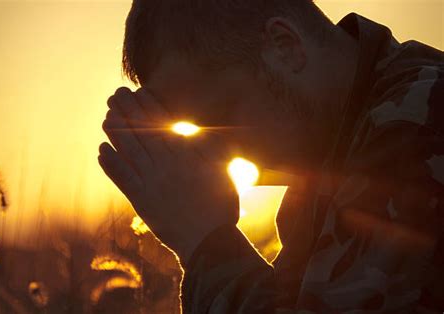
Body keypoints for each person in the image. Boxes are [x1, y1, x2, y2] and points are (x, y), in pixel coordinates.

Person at [98, 1, 444, 312]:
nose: (219, 155)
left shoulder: (419, 124)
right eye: (201, 133)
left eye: (224, 112)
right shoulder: (330, 160)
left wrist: (207, 243)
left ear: (285, 46)